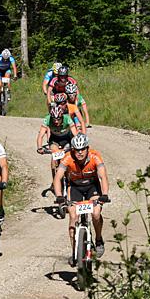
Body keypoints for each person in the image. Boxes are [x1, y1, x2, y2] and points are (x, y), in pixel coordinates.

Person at [53, 133, 110, 266]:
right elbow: (58, 178)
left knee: (96, 213)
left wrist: (105, 195)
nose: (79, 153)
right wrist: (59, 197)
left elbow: (103, 176)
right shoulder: (67, 158)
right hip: (75, 187)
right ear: (73, 150)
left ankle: (99, 239)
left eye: (82, 149)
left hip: (92, 187)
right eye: (77, 150)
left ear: (87, 148)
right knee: (73, 216)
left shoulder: (95, 156)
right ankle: (75, 252)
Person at [37, 105, 78, 187]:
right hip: (54, 140)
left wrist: (77, 145)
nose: (56, 122)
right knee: (54, 155)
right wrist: (39, 147)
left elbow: (75, 134)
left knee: (68, 156)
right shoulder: (47, 119)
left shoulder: (67, 118)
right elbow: (40, 135)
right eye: (54, 119)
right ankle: (54, 181)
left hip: (67, 139)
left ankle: (72, 176)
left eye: (58, 119)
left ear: (62, 117)